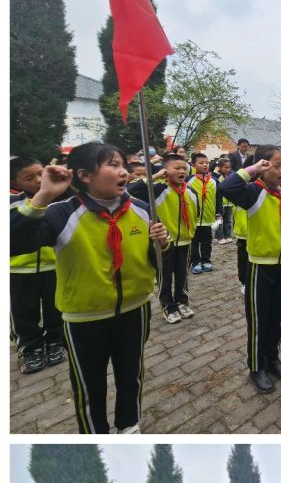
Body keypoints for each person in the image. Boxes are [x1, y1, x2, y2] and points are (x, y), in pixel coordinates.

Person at [9, 143, 169, 434]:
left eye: (123, 165)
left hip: (135, 310)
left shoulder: (143, 210)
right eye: (112, 165)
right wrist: (43, 195)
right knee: (89, 386)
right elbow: (13, 241)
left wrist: (162, 243)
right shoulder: (60, 214)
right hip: (84, 319)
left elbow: (152, 261)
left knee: (131, 376)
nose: (123, 172)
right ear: (84, 174)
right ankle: (94, 433)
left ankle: (129, 425)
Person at [219, 145, 281, 395]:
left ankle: (272, 358)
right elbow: (226, 188)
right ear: (263, 167)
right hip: (260, 265)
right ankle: (256, 367)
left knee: (277, 316)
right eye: (277, 166)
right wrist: (254, 169)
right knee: (259, 319)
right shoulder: (252, 192)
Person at [10, 157, 65, 375]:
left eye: (41, 173)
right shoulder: (11, 205)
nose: (38, 180)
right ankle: (29, 348)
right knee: (23, 311)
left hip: (54, 265)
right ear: (15, 182)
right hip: (19, 269)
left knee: (55, 307)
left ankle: (55, 341)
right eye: (29, 177)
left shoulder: (59, 200)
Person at [130, 152, 198, 324]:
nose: (182, 171)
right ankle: (168, 306)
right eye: (177, 168)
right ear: (165, 170)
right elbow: (131, 191)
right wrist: (156, 176)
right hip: (165, 242)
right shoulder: (158, 189)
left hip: (185, 240)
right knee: (165, 275)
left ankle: (182, 301)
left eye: (184, 168)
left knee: (183, 274)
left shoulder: (190, 191)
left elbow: (195, 214)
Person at [187, 153, 222, 274]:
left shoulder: (214, 181)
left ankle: (206, 260)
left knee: (207, 242)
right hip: (193, 218)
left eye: (206, 163)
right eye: (201, 163)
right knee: (194, 242)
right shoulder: (188, 180)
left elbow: (218, 198)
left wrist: (219, 213)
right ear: (193, 165)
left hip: (208, 218)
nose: (204, 165)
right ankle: (195, 262)